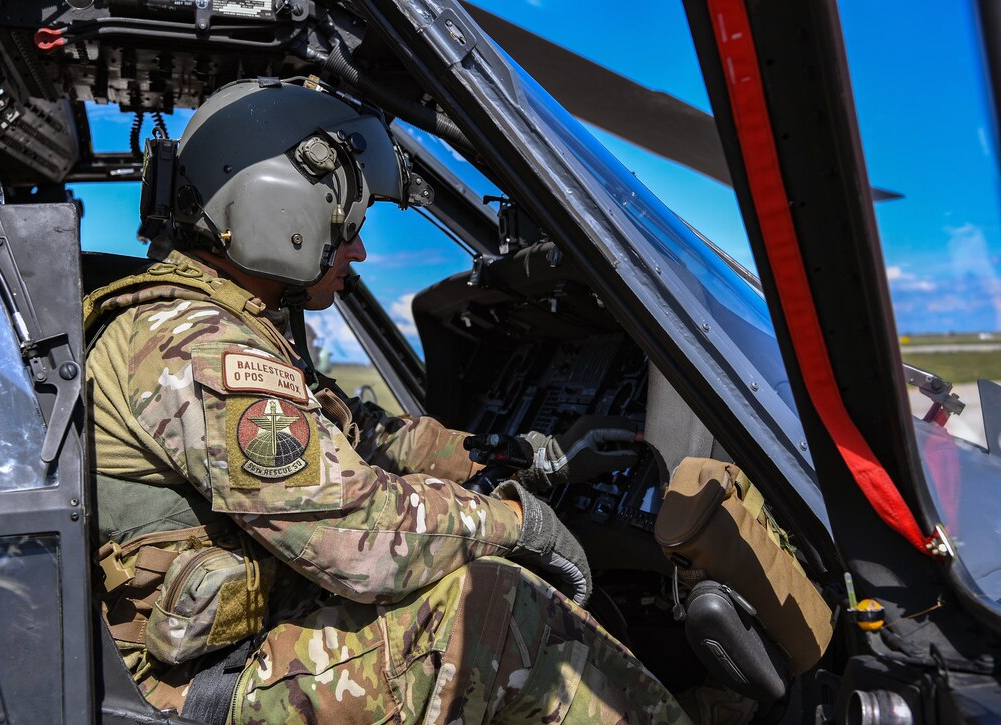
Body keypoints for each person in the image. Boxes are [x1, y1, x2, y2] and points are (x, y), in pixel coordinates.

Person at [86, 78, 690, 723]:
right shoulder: (195, 345)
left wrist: (523, 457)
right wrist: (519, 524)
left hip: (228, 649)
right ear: (284, 210)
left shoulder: (224, 322)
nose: (359, 250)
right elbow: (355, 533)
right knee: (493, 608)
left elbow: (364, 434)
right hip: (191, 691)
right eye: (347, 226)